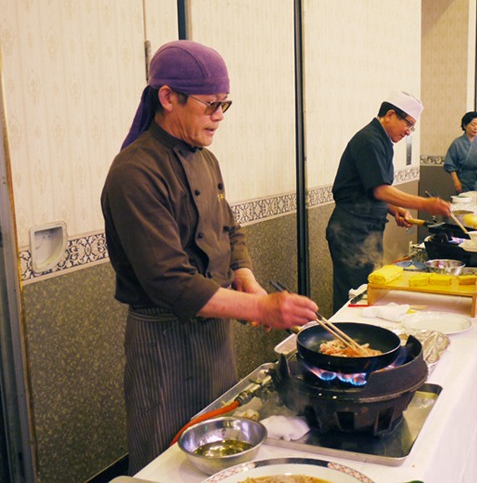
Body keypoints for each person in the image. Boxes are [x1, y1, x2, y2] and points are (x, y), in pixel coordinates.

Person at [101, 40, 318, 474]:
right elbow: (170, 282)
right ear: (168, 97)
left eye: (225, 104)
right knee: (166, 460)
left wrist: (247, 278)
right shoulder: (134, 172)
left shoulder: (207, 160)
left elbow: (230, 229)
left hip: (214, 337)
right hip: (164, 344)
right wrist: (260, 307)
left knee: (221, 443)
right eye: (211, 104)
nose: (219, 115)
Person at [326, 91, 451, 312]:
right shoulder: (369, 140)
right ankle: (346, 340)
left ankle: (358, 338)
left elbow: (371, 190)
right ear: (391, 114)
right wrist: (424, 204)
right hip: (351, 230)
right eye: (408, 125)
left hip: (366, 228)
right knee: (353, 294)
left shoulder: (382, 141)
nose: (408, 132)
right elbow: (380, 190)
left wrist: (396, 210)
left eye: (412, 128)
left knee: (367, 289)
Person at [443, 111, 477, 193]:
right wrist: (456, 181)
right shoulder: (457, 143)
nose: (476, 128)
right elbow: (450, 165)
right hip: (464, 181)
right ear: (465, 125)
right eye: (473, 125)